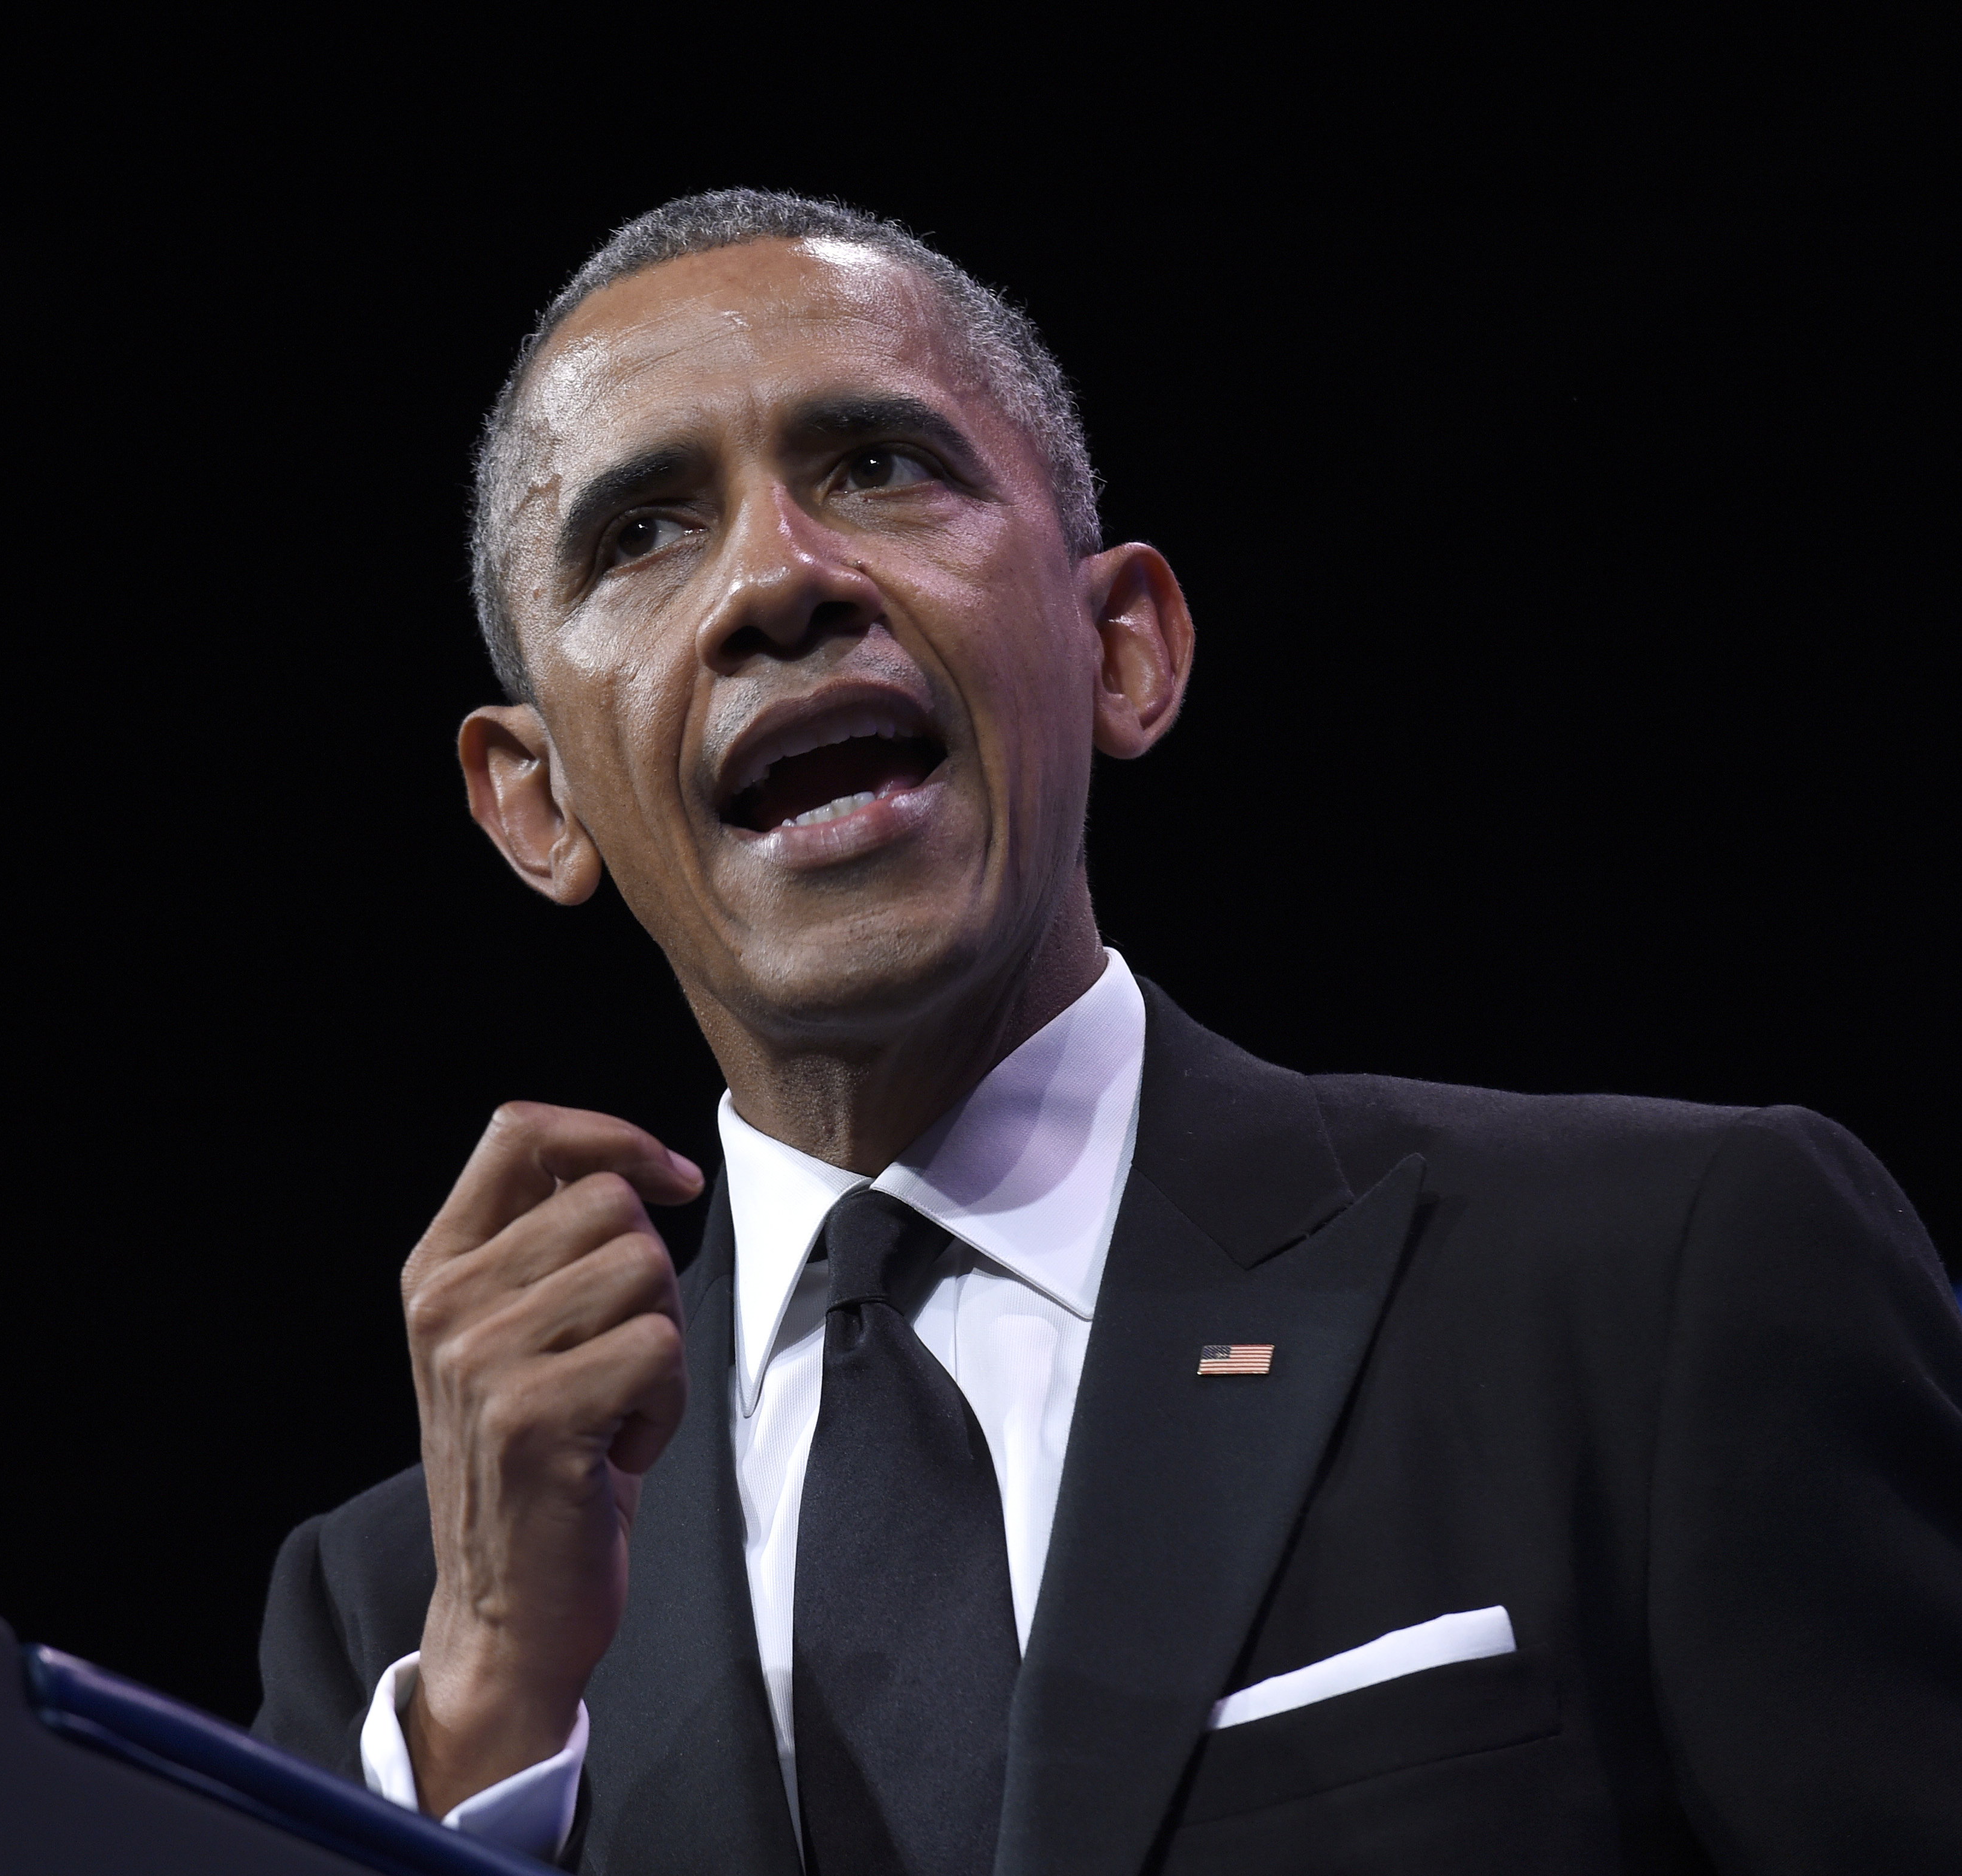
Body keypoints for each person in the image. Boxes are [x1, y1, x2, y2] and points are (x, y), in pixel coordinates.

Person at [249, 191, 1962, 1874]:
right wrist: (487, 1711)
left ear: (1122, 648)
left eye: (877, 465)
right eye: (638, 532)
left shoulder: (1655, 1279)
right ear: (530, 799)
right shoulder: (394, 1627)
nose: (777, 578)